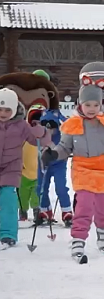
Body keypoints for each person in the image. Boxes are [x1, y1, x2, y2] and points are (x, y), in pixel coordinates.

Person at [41, 82, 104, 260]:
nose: (92, 109)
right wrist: (53, 154)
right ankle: (78, 239)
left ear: (101, 105)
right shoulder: (73, 124)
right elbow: (64, 147)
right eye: (88, 104)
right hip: (83, 168)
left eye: (95, 105)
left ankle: (103, 231)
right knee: (84, 205)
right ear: (80, 104)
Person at [0, 89, 49, 247]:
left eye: (8, 110)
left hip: (11, 167)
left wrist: (41, 131)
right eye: (0, 109)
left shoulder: (21, 125)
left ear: (14, 109)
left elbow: (36, 140)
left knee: (8, 198)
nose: (3, 113)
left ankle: (7, 234)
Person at [37, 106, 72, 226]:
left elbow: (68, 125)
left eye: (52, 125)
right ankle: (45, 210)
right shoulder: (40, 135)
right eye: (45, 124)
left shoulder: (61, 136)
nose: (49, 128)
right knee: (41, 187)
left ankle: (66, 211)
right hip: (43, 164)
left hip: (59, 164)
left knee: (61, 187)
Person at [18, 105, 45, 222]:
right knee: (23, 195)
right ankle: (23, 212)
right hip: (24, 171)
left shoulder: (44, 136)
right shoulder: (24, 134)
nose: (37, 124)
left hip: (38, 172)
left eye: (40, 121)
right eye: (34, 121)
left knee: (36, 194)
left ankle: (37, 212)